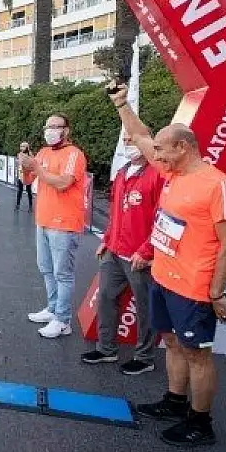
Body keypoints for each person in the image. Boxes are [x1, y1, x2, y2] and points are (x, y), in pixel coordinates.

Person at [108, 83, 226, 446]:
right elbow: (140, 135)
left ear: (183, 147)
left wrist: (216, 293)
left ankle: (200, 423)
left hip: (194, 288)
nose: (157, 157)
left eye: (163, 152)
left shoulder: (218, 186)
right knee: (171, 342)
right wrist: (122, 104)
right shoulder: (173, 173)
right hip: (163, 280)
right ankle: (175, 400)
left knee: (197, 355)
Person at [81, 133, 164, 375]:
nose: (129, 145)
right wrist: (106, 240)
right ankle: (106, 349)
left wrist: (147, 251)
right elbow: (115, 212)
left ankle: (145, 356)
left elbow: (163, 219)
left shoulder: (157, 174)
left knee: (144, 306)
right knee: (106, 296)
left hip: (140, 256)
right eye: (126, 141)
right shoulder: (122, 172)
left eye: (134, 140)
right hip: (114, 251)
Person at [22, 114, 88, 339]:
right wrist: (25, 167)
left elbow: (63, 183)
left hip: (64, 223)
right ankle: (52, 309)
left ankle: (63, 320)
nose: (49, 131)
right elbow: (28, 181)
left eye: (55, 127)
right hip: (43, 219)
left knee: (63, 274)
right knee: (46, 269)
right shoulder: (42, 152)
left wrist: (37, 169)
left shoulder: (74, 155)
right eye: (47, 127)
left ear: (66, 130)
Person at [15, 142, 35, 211]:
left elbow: (33, 164)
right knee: (19, 190)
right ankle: (17, 205)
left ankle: (30, 206)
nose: (21, 148)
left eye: (23, 146)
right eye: (21, 146)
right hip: (21, 174)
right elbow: (19, 163)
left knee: (28, 190)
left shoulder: (30, 154)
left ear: (27, 147)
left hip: (28, 175)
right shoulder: (19, 154)